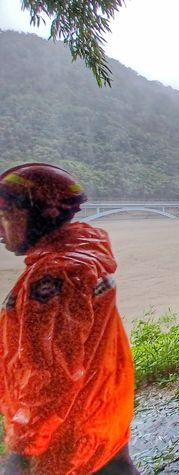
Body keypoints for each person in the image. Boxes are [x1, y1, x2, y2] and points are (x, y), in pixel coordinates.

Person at [0, 163, 138, 474]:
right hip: (104, 407)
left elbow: (49, 371)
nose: (0, 228)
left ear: (36, 215)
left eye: (5, 215)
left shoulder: (55, 274)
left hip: (69, 433)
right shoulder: (87, 257)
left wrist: (23, 448)